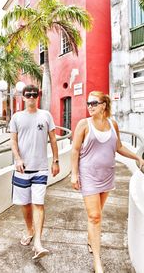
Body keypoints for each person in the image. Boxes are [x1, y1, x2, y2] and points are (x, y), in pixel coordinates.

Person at [71, 91, 144, 273]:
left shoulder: (113, 124)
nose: (90, 106)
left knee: (98, 214)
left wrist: (137, 157)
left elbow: (118, 147)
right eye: (88, 103)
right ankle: (97, 261)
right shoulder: (84, 124)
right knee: (94, 217)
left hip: (107, 175)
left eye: (94, 103)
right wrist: (74, 174)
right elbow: (75, 150)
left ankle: (91, 239)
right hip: (88, 175)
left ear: (104, 105)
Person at [10, 84, 60, 260]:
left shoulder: (45, 115)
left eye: (34, 94)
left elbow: (53, 139)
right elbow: (13, 141)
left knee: (38, 203)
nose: (31, 96)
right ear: (23, 97)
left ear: (37, 96)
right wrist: (17, 158)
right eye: (28, 94)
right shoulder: (16, 117)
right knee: (25, 205)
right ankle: (29, 230)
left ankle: (38, 243)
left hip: (41, 169)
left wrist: (55, 160)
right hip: (22, 169)